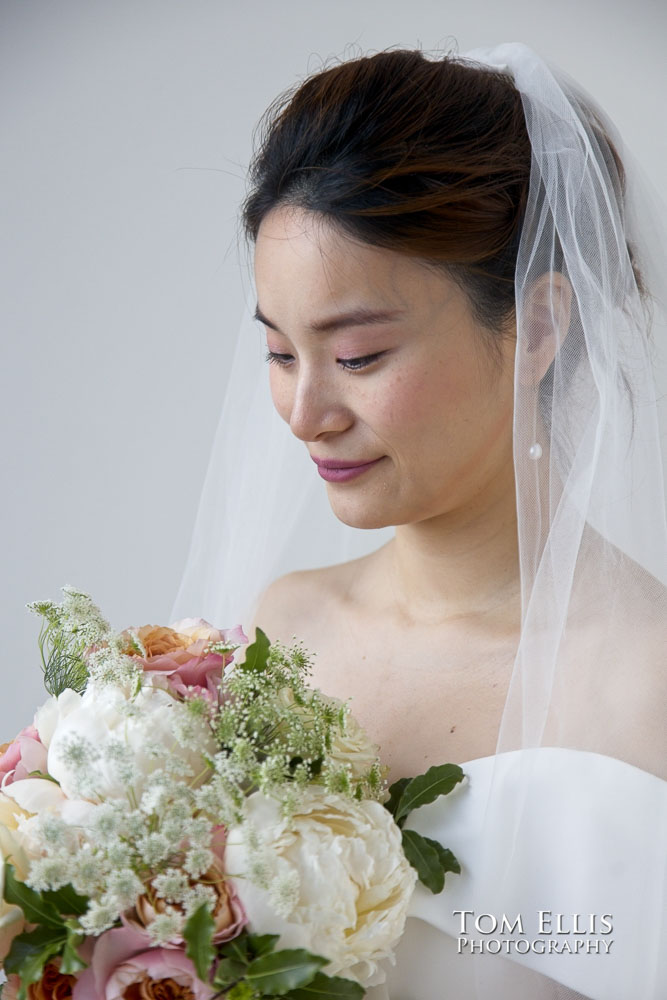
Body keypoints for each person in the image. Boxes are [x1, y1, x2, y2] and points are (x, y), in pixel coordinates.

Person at [170, 42, 667, 999]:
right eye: (279, 353)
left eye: (356, 356)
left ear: (541, 326)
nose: (305, 413)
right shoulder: (283, 631)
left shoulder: (652, 677)